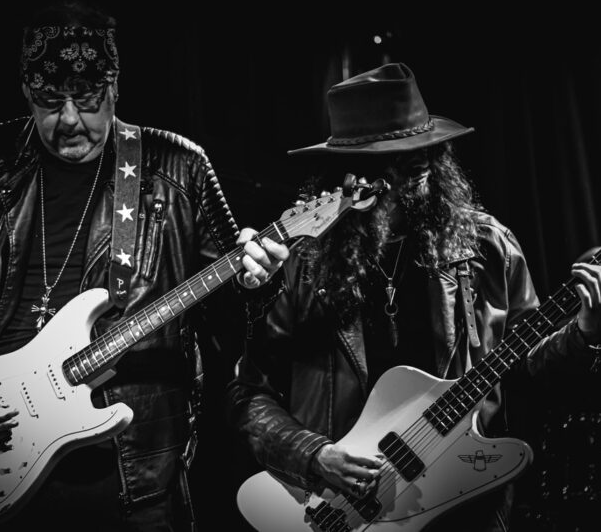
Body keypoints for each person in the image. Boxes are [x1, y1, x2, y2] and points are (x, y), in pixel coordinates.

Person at [0, 0, 287, 532]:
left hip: (131, 480)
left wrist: (257, 284)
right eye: (49, 100)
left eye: (86, 98)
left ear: (114, 87)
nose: (69, 120)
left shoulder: (179, 168)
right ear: (26, 91)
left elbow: (236, 330)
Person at [228, 62, 600, 531]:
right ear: (351, 172)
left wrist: (585, 335)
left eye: (424, 147)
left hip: (464, 507)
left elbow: (529, 367)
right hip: (338, 510)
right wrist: (314, 454)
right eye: (394, 152)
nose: (419, 161)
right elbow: (248, 394)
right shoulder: (304, 264)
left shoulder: (485, 247)